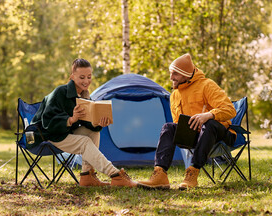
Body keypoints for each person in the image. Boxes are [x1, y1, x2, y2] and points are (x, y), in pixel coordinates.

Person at [31, 58, 137, 187]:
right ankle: (115, 175)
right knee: (84, 142)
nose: (86, 81)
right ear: (72, 77)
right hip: (48, 134)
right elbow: (47, 122)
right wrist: (71, 119)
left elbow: (88, 123)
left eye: (89, 77)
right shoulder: (60, 92)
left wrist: (98, 123)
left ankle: (87, 176)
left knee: (93, 132)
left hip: (66, 133)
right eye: (82, 77)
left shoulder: (85, 96)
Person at [137, 53, 237, 189]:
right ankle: (160, 174)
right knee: (168, 127)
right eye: (171, 73)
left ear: (186, 74)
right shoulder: (174, 95)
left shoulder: (207, 85)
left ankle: (192, 173)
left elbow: (230, 110)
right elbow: (178, 123)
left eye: (175, 74)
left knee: (208, 124)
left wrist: (208, 115)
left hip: (222, 134)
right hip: (195, 137)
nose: (171, 77)